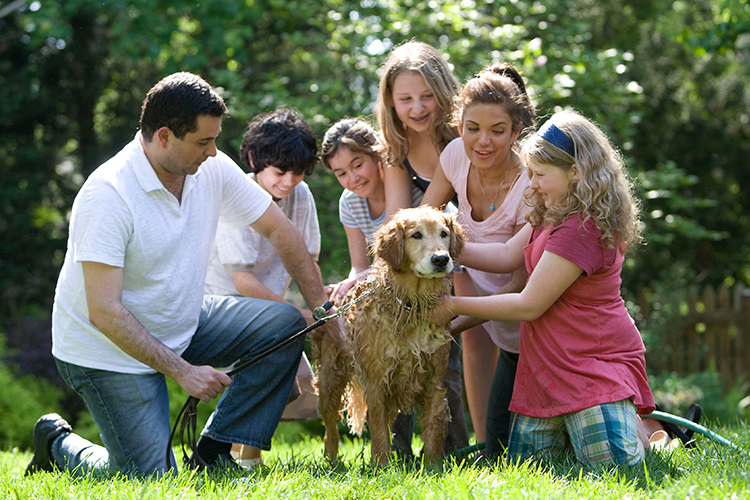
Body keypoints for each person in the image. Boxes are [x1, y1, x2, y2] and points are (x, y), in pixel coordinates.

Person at [26, 72, 340, 478]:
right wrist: (183, 371)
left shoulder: (209, 168)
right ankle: (57, 443)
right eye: (203, 142)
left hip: (183, 319)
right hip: (107, 351)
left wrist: (322, 312)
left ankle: (213, 452)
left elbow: (280, 231)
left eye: (214, 140)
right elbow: (103, 311)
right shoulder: (106, 194)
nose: (212, 153)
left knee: (284, 324)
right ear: (163, 136)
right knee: (151, 478)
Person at [427, 109, 655, 467]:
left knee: (611, 465)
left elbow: (529, 305)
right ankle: (625, 430)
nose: (530, 184)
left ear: (576, 172)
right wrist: (437, 246)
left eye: (539, 175)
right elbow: (504, 255)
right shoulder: (552, 212)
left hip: (591, 368)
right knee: (528, 469)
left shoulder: (583, 228)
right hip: (547, 370)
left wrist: (453, 305)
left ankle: (652, 439)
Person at [421, 62, 536, 459]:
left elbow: (519, 280)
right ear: (459, 126)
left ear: (517, 131)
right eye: (473, 129)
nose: (482, 141)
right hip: (487, 316)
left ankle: (658, 428)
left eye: (497, 131)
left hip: (536, 326)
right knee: (498, 446)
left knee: (551, 438)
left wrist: (448, 320)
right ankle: (487, 449)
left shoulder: (532, 184)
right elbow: (423, 219)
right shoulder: (455, 156)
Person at [204, 108, 322, 470]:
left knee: (291, 375)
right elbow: (244, 282)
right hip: (222, 306)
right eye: (279, 171)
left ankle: (243, 455)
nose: (288, 182)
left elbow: (307, 262)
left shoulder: (301, 196)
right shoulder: (235, 194)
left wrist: (320, 309)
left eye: (298, 172)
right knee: (275, 362)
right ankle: (236, 455)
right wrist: (297, 315)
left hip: (268, 308)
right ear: (255, 160)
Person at [374, 40, 469, 457]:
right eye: (405, 98)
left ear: (445, 92)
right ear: (390, 102)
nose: (417, 107)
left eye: (427, 96)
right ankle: (397, 452)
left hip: (471, 250)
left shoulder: (467, 135)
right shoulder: (396, 150)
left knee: (449, 358)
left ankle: (458, 447)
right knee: (406, 337)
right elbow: (399, 218)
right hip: (431, 261)